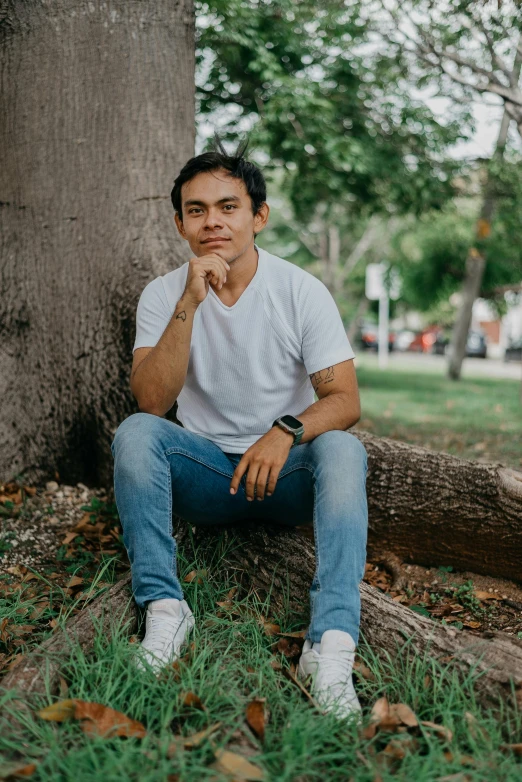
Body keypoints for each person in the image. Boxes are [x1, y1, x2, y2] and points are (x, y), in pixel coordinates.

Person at [111, 135, 368, 722]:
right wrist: (190, 302)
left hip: (285, 476)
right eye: (196, 210)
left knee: (344, 452)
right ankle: (166, 611)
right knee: (135, 434)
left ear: (259, 216)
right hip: (208, 477)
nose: (213, 223)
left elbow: (345, 399)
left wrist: (283, 432)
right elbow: (151, 400)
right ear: (180, 224)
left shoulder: (300, 290)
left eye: (228, 207)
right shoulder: (162, 295)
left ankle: (329, 648)